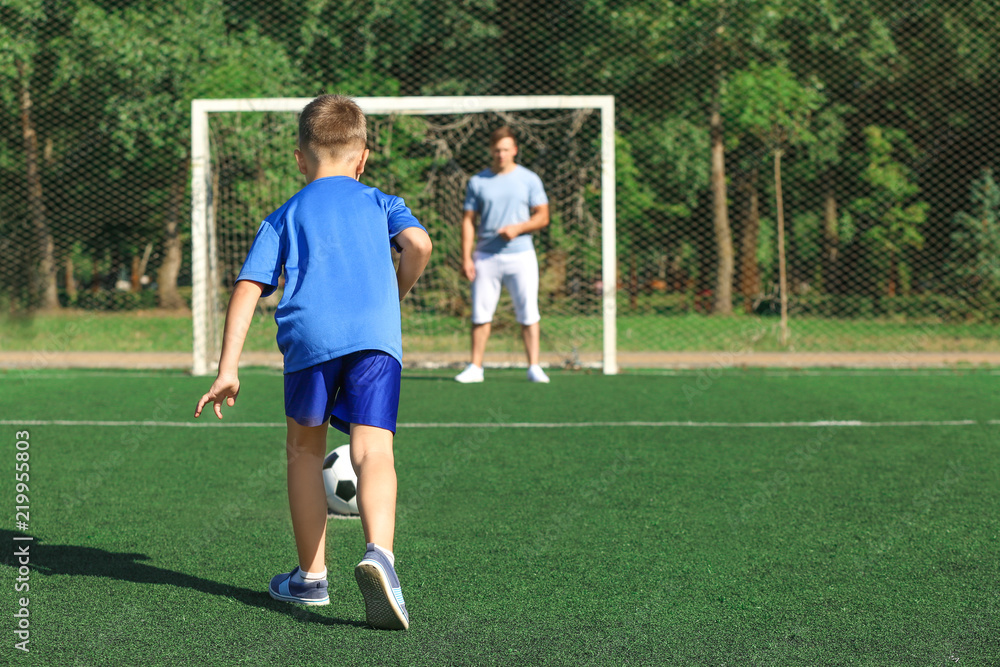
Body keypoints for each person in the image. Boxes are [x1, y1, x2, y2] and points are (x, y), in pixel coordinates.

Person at [194, 94, 432, 631]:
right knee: (374, 448)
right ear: (363, 157)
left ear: (300, 158)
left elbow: (248, 288)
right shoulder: (382, 202)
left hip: (309, 340)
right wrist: (394, 293)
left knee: (304, 451)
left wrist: (228, 368)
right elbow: (419, 243)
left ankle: (312, 578)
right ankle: (381, 557)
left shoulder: (284, 215)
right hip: (376, 339)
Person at [454, 126, 551, 384]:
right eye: (497, 150)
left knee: (528, 312)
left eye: (506, 149)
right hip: (486, 257)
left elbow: (543, 216)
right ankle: (475, 367)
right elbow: (468, 221)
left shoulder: (529, 179)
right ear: (491, 151)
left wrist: (519, 228)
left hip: (522, 256)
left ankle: (534, 367)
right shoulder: (478, 182)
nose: (501, 154)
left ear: (514, 150)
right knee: (480, 313)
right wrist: (466, 257)